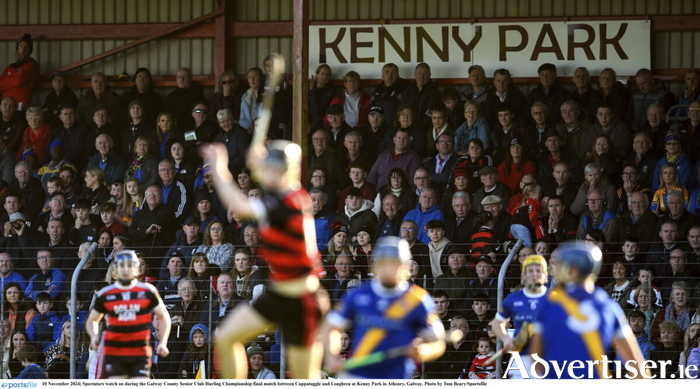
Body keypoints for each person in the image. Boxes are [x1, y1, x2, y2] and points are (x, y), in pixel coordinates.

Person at [203, 139, 327, 379]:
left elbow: (238, 203)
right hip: (277, 293)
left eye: (275, 169)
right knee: (226, 338)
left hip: (302, 300)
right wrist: (256, 161)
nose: (268, 173)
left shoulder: (289, 202)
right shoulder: (277, 193)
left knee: (305, 378)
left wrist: (219, 168)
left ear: (288, 172)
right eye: (267, 168)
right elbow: (260, 173)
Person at [321, 236, 446, 379]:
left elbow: (438, 342)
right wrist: (332, 357)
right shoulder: (358, 294)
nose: (389, 269)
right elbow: (330, 327)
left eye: (395, 263)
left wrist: (423, 352)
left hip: (397, 378)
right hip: (358, 376)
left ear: (405, 266)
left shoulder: (418, 299)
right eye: (384, 263)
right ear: (376, 265)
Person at [529, 242, 648, 379]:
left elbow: (536, 358)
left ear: (570, 269)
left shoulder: (548, 305)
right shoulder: (608, 306)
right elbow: (634, 362)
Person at [86, 250, 171, 379]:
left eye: (129, 265)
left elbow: (164, 317)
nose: (126, 269)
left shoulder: (148, 291)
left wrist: (163, 342)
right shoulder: (105, 294)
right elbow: (92, 319)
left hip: (140, 351)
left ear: (136, 268)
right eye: (122, 265)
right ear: (115, 269)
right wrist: (94, 337)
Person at [490, 254, 548, 378]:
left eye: (538, 271)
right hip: (522, 357)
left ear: (545, 275)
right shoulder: (513, 299)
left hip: (549, 357)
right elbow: (496, 323)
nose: (534, 274)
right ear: (524, 275)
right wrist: (506, 339)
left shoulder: (555, 299)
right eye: (530, 271)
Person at [0, 34, 39, 111]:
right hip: (5, 107)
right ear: (17, 48)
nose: (23, 50)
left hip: (20, 106)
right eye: (20, 46)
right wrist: (14, 79)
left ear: (30, 50)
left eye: (26, 47)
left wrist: (7, 79)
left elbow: (19, 80)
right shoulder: (10, 67)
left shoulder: (32, 66)